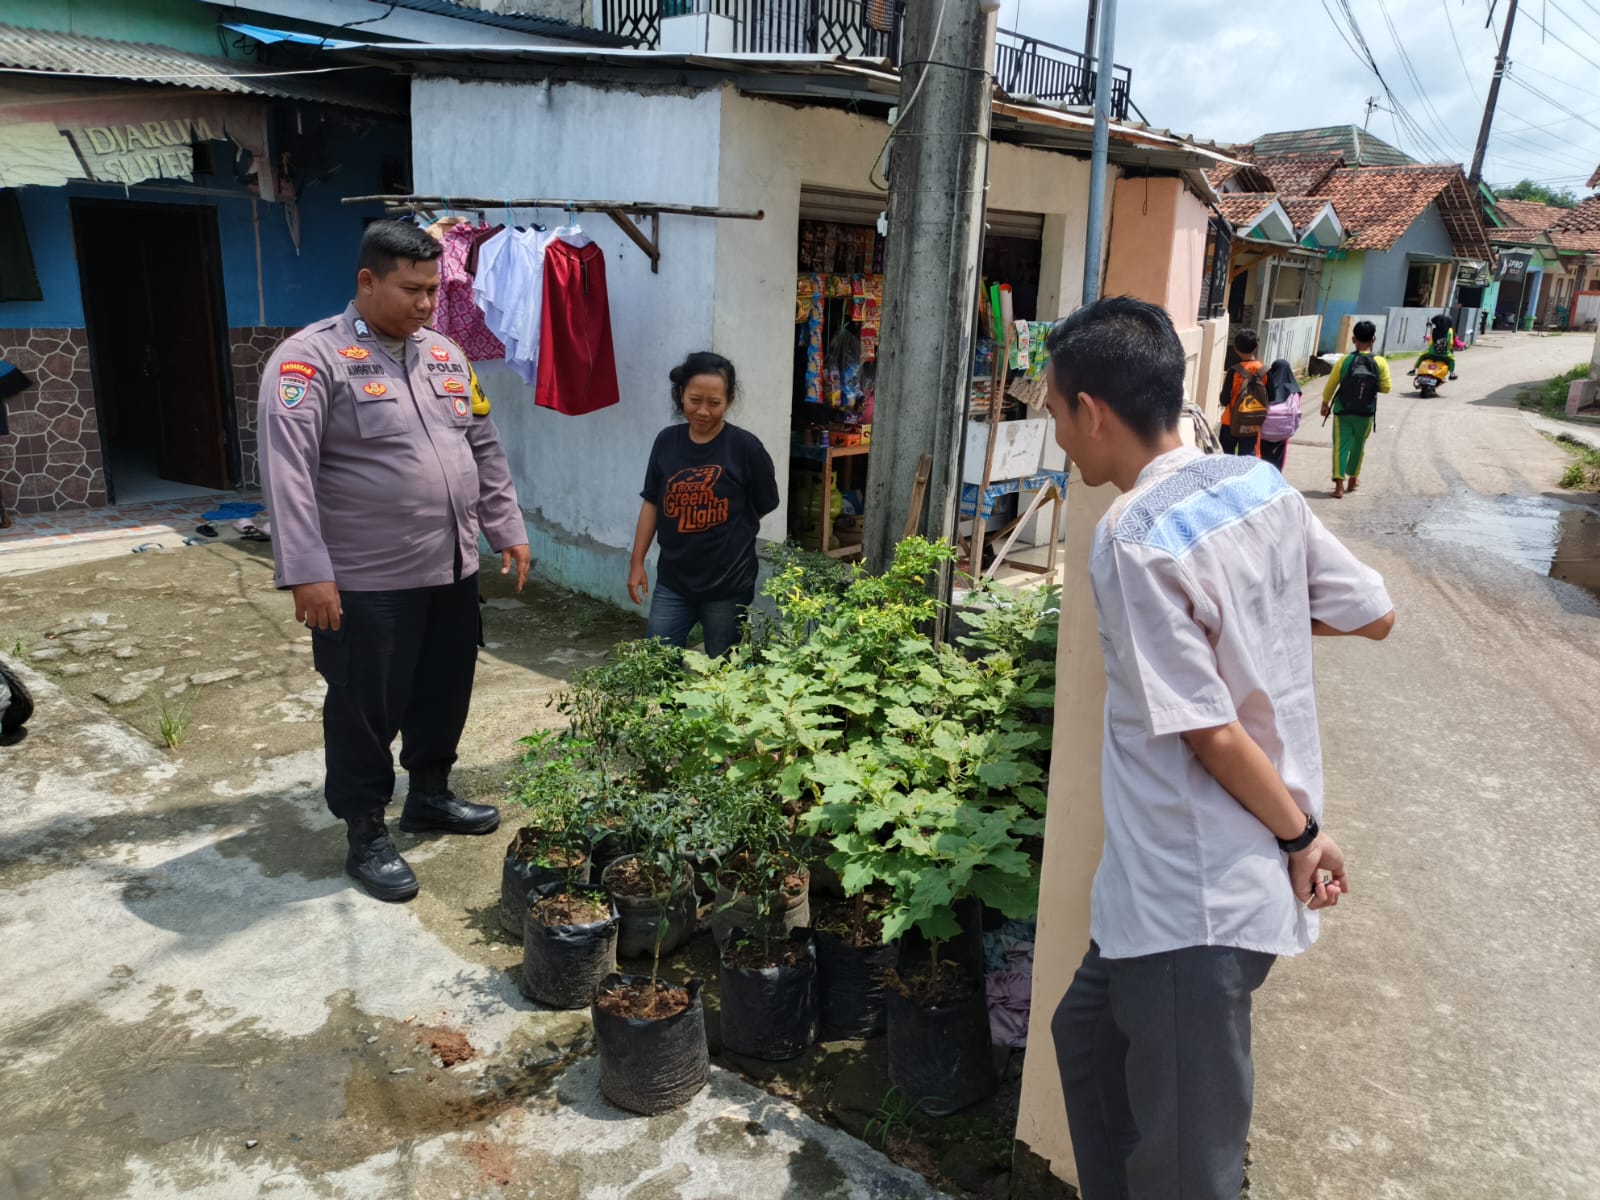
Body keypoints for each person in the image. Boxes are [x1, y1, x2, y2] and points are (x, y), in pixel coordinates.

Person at [1042, 297, 1395, 1200]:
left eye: (1054, 413)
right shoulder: (1258, 486)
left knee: (1185, 1169)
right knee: (1085, 1040)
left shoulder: (1133, 537)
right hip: (1159, 886)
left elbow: (1209, 731)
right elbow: (1373, 611)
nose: (1058, 436)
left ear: (1093, 411)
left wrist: (1300, 835)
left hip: (1192, 897)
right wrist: (1248, 627)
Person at [259, 220, 532, 903]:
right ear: (367, 280)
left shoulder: (445, 354)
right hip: (366, 580)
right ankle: (366, 832)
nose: (425, 303)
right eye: (411, 289)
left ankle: (430, 795)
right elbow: (287, 474)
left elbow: (483, 445)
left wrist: (506, 527)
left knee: (444, 688)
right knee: (364, 708)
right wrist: (307, 571)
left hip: (451, 569)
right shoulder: (309, 361)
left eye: (432, 289)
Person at [627, 352, 779, 657]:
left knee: (722, 669)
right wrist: (637, 562)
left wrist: (729, 528)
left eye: (714, 402)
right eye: (695, 400)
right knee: (657, 661)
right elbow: (652, 503)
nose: (703, 411)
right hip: (673, 581)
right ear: (681, 395)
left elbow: (764, 503)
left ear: (729, 401)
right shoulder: (666, 441)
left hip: (728, 585)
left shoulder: (746, 448)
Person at [1321, 319, 1392, 499]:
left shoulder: (1345, 360)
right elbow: (1386, 388)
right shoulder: (1380, 362)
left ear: (1353, 339)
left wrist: (1325, 403)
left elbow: (1331, 384)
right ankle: (1353, 479)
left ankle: (1338, 486)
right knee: (1358, 446)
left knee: (1341, 446)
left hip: (1343, 411)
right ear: (1373, 339)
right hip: (1366, 413)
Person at [1216, 329, 1268, 456]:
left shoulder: (1233, 371)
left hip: (1230, 422)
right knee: (1247, 459)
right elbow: (1270, 397)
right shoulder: (1265, 371)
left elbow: (1224, 400)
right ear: (1255, 347)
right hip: (1252, 424)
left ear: (1236, 349)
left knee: (1226, 459)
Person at [1258, 358, 1302, 473]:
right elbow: (1297, 415)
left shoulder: (1265, 387)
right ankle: (1277, 476)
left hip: (1264, 432)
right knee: (1279, 456)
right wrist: (1291, 429)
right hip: (1283, 433)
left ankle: (1264, 476)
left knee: (1263, 455)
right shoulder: (1294, 391)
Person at [1415, 312, 1458, 378]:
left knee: (1421, 356)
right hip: (1445, 355)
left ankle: (1414, 369)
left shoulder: (1434, 330)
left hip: (1431, 353)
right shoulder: (1450, 331)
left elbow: (1431, 342)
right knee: (1452, 360)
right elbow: (1452, 343)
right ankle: (1452, 374)